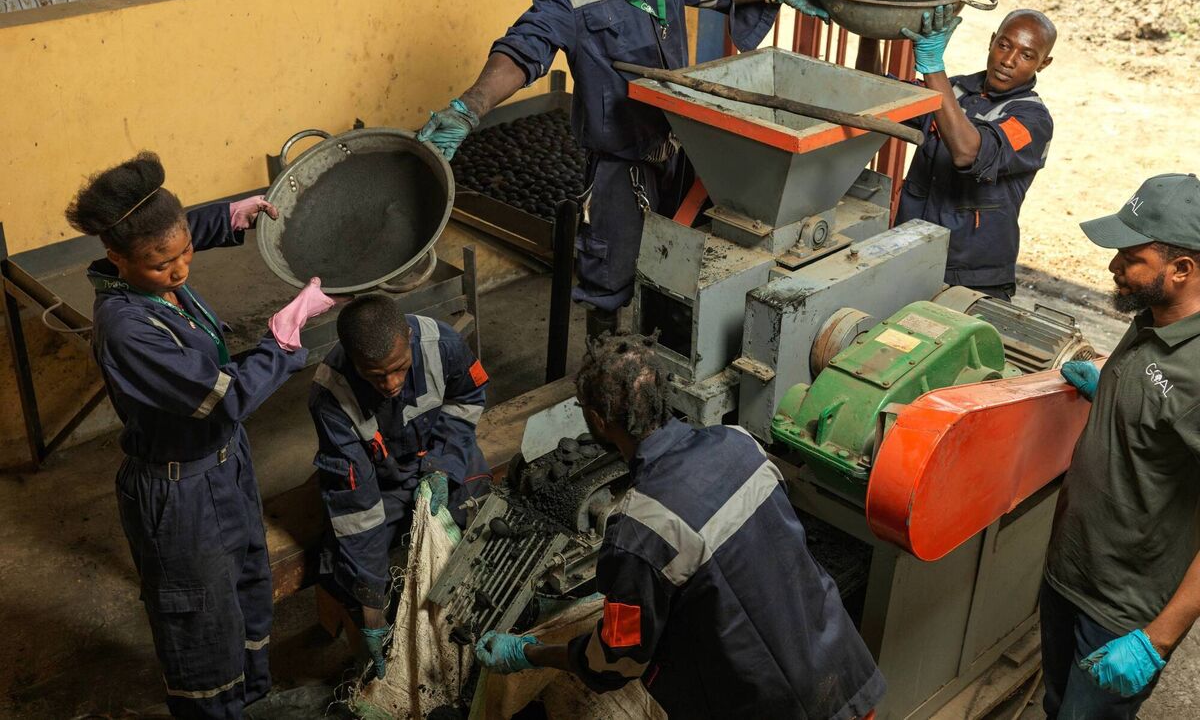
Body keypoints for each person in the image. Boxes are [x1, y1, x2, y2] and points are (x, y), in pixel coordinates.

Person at [416, 0, 829, 338]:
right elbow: (527, 46)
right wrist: (470, 106)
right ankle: (606, 372)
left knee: (687, 268)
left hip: (681, 144)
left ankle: (669, 358)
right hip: (620, 163)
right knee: (608, 281)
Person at [473, 334, 885, 719]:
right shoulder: (741, 444)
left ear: (598, 420)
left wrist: (530, 652)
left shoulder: (640, 531)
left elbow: (615, 662)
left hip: (769, 705)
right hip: (842, 674)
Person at [65, 152, 336, 719]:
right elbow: (227, 395)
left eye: (186, 250)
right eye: (163, 264)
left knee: (247, 584)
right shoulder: (127, 329)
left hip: (223, 462)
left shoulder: (157, 272)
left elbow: (176, 233)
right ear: (116, 258)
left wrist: (234, 216)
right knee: (201, 619)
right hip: (178, 493)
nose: (182, 269)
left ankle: (254, 700)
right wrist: (282, 340)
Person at [1046, 172, 1200, 718]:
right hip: (1071, 569)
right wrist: (1109, 380)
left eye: (1130, 257)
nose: (1114, 266)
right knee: (1056, 704)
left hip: (1124, 612)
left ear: (1182, 270)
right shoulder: (1152, 313)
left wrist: (1156, 639)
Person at [308, 294, 492, 679]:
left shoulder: (443, 345)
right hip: (380, 476)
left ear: (408, 337)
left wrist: (442, 467)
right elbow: (358, 508)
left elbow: (468, 400)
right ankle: (380, 650)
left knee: (480, 530)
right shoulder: (331, 394)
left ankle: (471, 634)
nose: (391, 384)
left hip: (443, 454)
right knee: (344, 566)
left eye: (399, 369)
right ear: (353, 360)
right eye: (376, 376)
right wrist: (371, 607)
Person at [856, 7, 1057, 300]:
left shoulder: (1032, 121)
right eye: (1004, 45)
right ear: (992, 41)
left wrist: (932, 67)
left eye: (1027, 55)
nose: (1008, 60)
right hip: (909, 252)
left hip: (970, 278)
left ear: (1044, 63)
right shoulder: (956, 90)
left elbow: (967, 152)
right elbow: (875, 95)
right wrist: (868, 29)